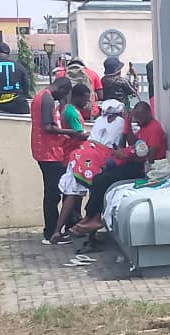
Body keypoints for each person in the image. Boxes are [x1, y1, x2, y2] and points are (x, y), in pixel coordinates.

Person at [73, 102, 167, 235]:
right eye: (136, 118)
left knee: (104, 179)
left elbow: (149, 159)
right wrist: (128, 122)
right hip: (134, 161)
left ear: (148, 113)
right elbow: (134, 143)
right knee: (99, 177)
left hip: (143, 169)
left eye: (140, 118)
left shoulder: (154, 129)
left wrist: (125, 156)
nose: (138, 122)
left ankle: (94, 217)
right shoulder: (144, 126)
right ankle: (91, 215)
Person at [51, 99, 126, 245]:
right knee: (96, 192)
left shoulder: (99, 120)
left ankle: (57, 231)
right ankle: (91, 233)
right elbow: (119, 146)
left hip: (81, 154)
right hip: (99, 158)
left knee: (71, 193)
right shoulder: (121, 123)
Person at [31, 77, 86, 245]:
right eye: (64, 94)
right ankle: (51, 233)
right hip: (49, 153)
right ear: (62, 90)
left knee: (54, 192)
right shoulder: (47, 98)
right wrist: (70, 133)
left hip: (45, 151)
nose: (63, 98)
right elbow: (47, 127)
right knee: (53, 194)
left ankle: (59, 228)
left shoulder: (40, 96)